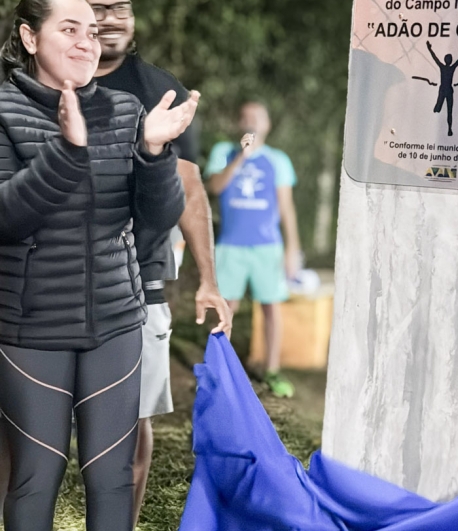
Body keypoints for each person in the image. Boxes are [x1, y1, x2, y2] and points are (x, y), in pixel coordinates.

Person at [0, 0, 195, 528]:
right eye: (70, 29)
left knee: (111, 477)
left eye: (92, 31)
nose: (89, 41)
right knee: (35, 474)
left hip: (116, 321)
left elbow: (156, 220)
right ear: (30, 37)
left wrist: (154, 153)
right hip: (30, 329)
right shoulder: (2, 110)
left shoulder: (126, 110)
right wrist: (66, 150)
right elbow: (7, 218)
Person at [83, 0, 233, 524]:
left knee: (131, 419)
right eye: (97, 7)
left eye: (119, 6)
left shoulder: (157, 88)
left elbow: (189, 185)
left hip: (139, 278)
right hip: (45, 279)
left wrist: (209, 281)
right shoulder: (41, 78)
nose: (110, 18)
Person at [205, 102, 301, 398]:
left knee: (271, 307)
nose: (251, 123)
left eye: (257, 118)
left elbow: (286, 207)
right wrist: (241, 158)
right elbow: (215, 187)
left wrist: (293, 248)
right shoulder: (223, 153)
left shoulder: (278, 161)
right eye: (245, 117)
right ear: (238, 123)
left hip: (267, 247)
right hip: (230, 246)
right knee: (226, 309)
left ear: (267, 125)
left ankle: (271, 370)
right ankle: (220, 372)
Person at [426, 40, 458, 137]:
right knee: (447, 110)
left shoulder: (443, 67)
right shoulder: (451, 68)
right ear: (450, 61)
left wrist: (429, 48)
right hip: (448, 91)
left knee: (440, 109)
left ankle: (448, 129)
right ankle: (449, 128)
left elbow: (435, 58)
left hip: (443, 90)